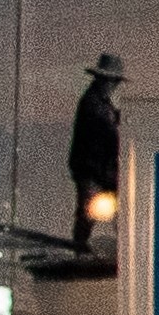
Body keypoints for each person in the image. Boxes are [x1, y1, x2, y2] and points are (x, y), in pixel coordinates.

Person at [65, 52, 125, 233]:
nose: (111, 85)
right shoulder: (93, 103)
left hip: (101, 170)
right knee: (87, 211)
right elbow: (108, 130)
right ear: (100, 79)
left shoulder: (102, 103)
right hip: (91, 169)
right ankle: (80, 246)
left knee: (116, 209)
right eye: (108, 80)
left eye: (113, 81)